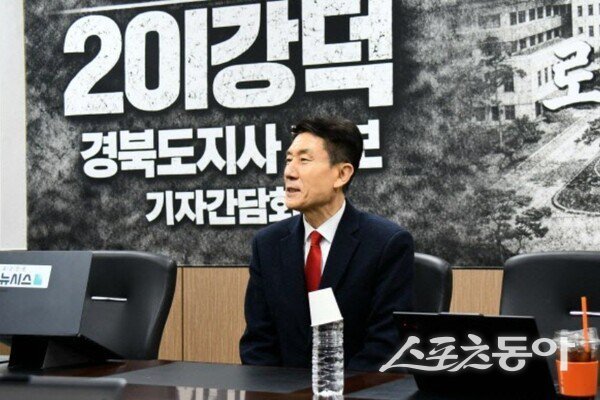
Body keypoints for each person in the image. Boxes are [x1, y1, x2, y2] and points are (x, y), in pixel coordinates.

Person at [239, 117, 414, 372]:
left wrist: (333, 389)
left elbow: (385, 346)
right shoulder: (267, 245)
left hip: (359, 389)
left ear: (342, 174)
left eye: (304, 160)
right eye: (288, 160)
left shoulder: (387, 244)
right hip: (279, 390)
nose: (289, 172)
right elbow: (257, 344)